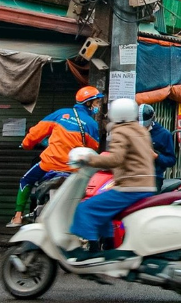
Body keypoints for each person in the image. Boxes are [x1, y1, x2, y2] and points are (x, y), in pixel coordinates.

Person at [66, 98, 157, 262]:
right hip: (146, 186)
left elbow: (115, 159)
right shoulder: (140, 130)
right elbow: (140, 156)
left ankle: (91, 253)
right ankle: (109, 249)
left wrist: (89, 160)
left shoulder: (121, 131)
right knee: (104, 212)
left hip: (130, 187)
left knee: (85, 208)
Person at [8, 86, 102, 227]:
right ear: (88, 103)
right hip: (73, 169)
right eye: (96, 102)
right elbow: (93, 148)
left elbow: (36, 132)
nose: (98, 105)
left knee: (26, 180)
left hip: (49, 164)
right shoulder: (91, 124)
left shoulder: (60, 114)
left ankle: (17, 217)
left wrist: (26, 144)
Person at [138, 104, 176, 188]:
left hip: (153, 178)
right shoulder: (132, 132)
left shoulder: (164, 134)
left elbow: (171, 160)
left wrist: (156, 156)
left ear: (152, 118)